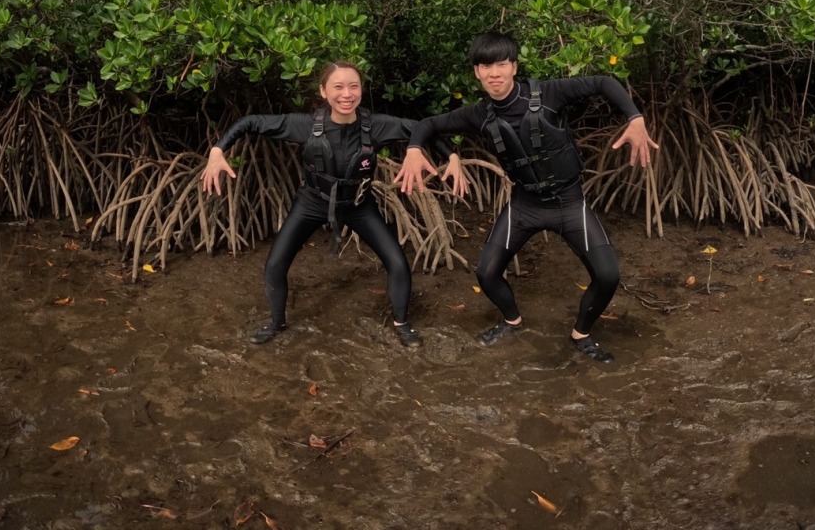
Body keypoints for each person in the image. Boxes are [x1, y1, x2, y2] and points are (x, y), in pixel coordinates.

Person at [394, 32, 658, 363]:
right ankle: (511, 321)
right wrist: (419, 150)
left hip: (568, 202)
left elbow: (605, 82)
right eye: (485, 66)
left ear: (514, 67)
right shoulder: (478, 114)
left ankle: (582, 333)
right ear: (476, 72)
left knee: (608, 276)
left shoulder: (549, 93)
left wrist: (635, 118)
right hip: (525, 205)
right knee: (486, 274)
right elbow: (429, 124)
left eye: (501, 64)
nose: (494, 73)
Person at [201, 61, 461, 348]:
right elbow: (250, 123)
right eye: (338, 87)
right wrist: (217, 150)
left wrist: (451, 157)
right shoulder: (303, 125)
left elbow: (424, 127)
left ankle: (402, 324)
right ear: (323, 91)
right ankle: (276, 323)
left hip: (358, 205)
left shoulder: (376, 125)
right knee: (275, 264)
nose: (347, 94)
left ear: (362, 90)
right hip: (312, 202)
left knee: (398, 263)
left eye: (354, 86)